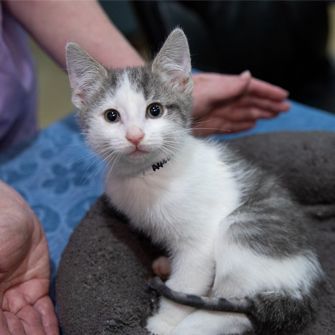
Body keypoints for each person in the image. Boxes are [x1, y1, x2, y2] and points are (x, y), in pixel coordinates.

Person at [0, 1, 289, 334]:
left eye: (153, 111)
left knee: (216, 246)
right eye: (112, 116)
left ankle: (227, 315)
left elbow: (200, 245)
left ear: (183, 84)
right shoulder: (120, 185)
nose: (134, 135)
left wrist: (167, 320)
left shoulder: (186, 176)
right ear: (81, 97)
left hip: (256, 254)